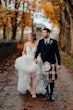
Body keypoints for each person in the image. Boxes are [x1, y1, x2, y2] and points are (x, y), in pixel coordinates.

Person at [15, 33, 46, 98]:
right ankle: (31, 89)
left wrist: (37, 58)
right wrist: (24, 56)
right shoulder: (26, 44)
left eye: (29, 36)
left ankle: (34, 92)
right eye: (28, 36)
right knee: (28, 77)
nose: (28, 37)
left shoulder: (37, 44)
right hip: (27, 60)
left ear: (33, 37)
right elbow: (23, 51)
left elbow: (39, 52)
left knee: (34, 77)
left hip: (34, 60)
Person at [34, 28, 61, 101]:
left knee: (51, 79)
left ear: (48, 33)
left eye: (44, 33)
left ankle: (51, 94)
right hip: (43, 63)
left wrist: (59, 63)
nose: (43, 34)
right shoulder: (41, 41)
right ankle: (47, 91)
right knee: (45, 78)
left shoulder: (54, 42)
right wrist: (35, 58)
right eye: (42, 33)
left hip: (52, 62)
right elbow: (37, 51)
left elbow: (57, 53)